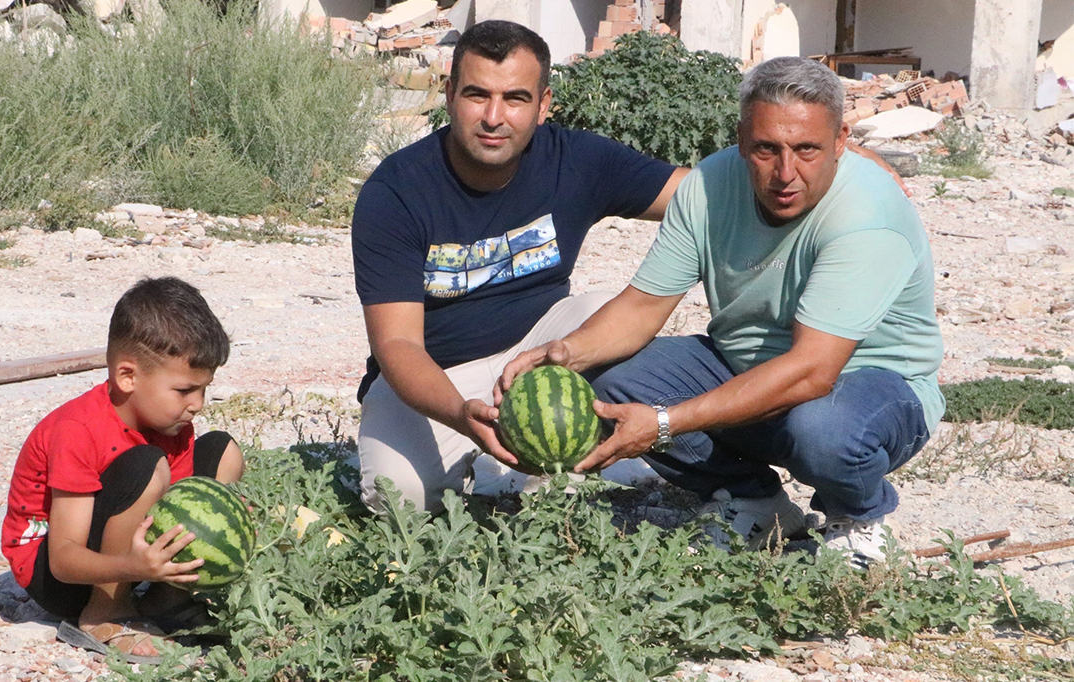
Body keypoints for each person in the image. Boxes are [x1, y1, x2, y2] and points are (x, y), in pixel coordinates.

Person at [497, 57, 944, 569]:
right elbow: (642, 307)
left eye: (806, 150)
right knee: (611, 377)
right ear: (740, 138)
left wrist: (664, 423)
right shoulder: (709, 185)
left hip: (869, 387)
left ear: (841, 140)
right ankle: (756, 501)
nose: (785, 173)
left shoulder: (867, 215)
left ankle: (859, 518)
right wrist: (565, 352)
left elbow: (813, 371)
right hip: (750, 367)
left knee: (823, 431)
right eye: (765, 149)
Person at [351, 19, 690, 514]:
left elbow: (701, 198)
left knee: (601, 313)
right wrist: (461, 415)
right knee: (399, 501)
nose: (494, 116)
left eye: (515, 98)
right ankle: (483, 458)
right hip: (434, 377)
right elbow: (398, 344)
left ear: (544, 104)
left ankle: (543, 463)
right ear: (448, 95)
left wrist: (822, 171)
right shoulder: (396, 192)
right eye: (476, 95)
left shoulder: (575, 161)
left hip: (540, 349)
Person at [0, 277, 243, 663]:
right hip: (57, 574)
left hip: (128, 556)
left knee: (222, 450)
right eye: (184, 390)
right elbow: (64, 559)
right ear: (127, 376)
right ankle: (105, 611)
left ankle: (169, 596)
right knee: (147, 466)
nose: (197, 404)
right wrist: (131, 566)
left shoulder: (173, 425)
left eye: (204, 388)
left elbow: (178, 505)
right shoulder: (78, 430)